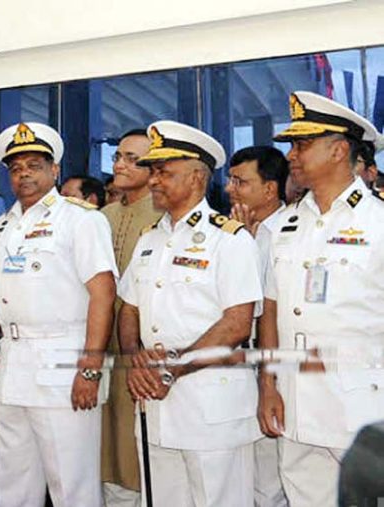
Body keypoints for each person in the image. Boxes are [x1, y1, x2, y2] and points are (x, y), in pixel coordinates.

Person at [0, 122, 118, 506]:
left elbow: (103, 294)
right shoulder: (3, 225)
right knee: (12, 482)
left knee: (72, 483)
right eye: (16, 168)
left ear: (55, 171)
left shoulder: (82, 219)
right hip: (13, 362)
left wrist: (90, 367)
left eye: (34, 165)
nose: (23, 174)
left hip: (64, 362)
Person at [119, 120, 263, 506]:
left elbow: (236, 324)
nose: (153, 181)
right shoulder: (150, 239)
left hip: (211, 404)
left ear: (198, 177)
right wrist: (135, 359)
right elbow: (129, 308)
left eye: (164, 172)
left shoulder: (229, 240)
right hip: (156, 404)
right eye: (153, 172)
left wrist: (171, 369)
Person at [258, 91, 384, 507]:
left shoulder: (378, 222)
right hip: (294, 401)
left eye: (302, 144)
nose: (291, 155)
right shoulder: (286, 224)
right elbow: (272, 308)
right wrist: (268, 383)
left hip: (361, 402)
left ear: (339, 150)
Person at [224, 146, 290, 507]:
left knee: (273, 476)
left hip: (275, 365)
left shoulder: (291, 230)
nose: (231, 189)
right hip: (234, 367)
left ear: (270, 189)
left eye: (241, 182)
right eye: (231, 180)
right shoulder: (225, 233)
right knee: (239, 475)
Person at [98, 128, 161, 507]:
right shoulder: (101, 217)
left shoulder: (164, 215)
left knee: (142, 452)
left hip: (144, 356)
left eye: (132, 159)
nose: (120, 164)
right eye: (118, 156)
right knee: (106, 449)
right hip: (102, 353)